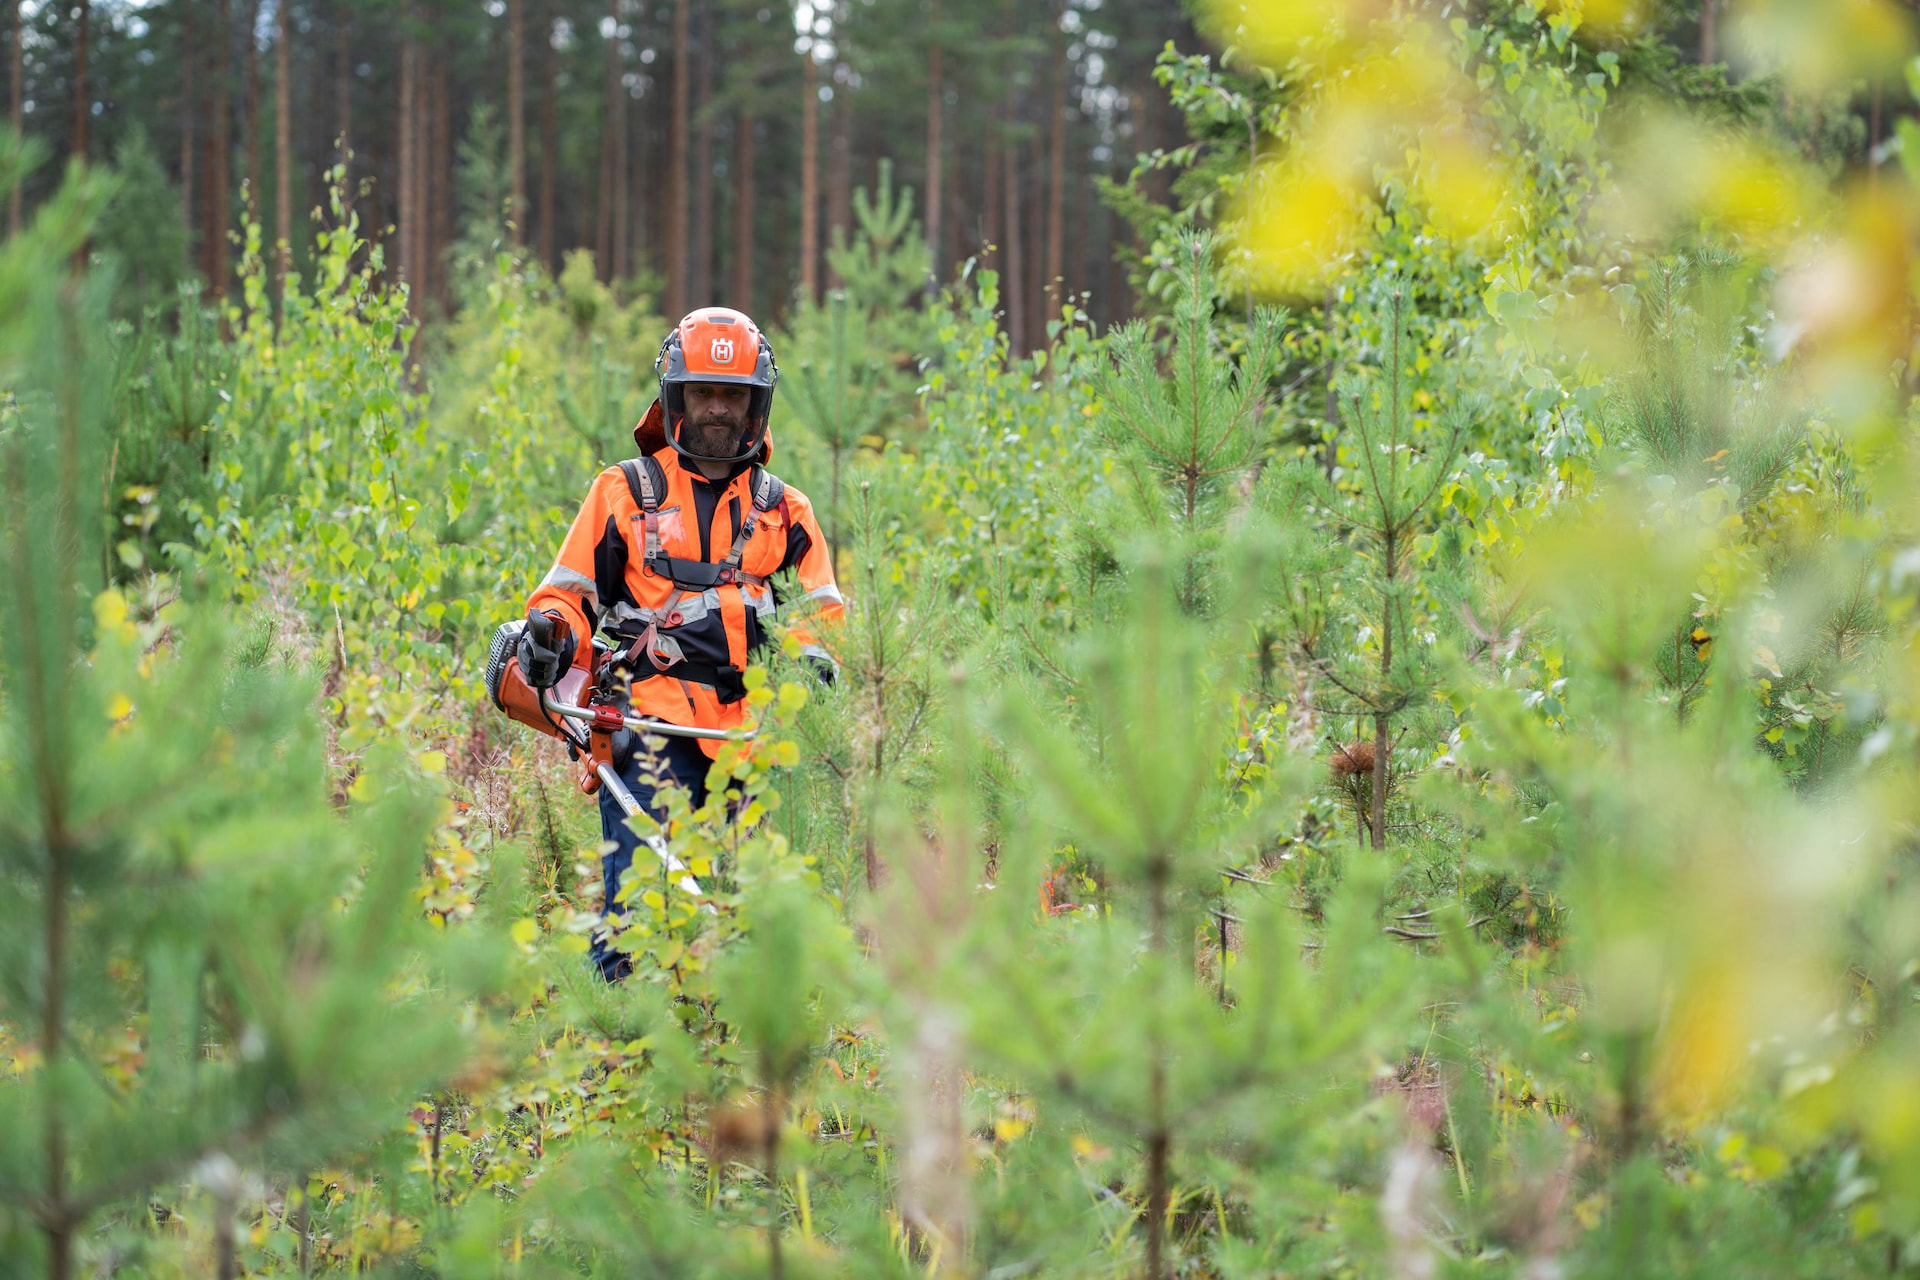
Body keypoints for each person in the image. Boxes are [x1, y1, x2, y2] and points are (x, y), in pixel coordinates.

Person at [515, 307, 843, 981]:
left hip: (756, 740)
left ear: (756, 404)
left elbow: (822, 613)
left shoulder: (788, 511)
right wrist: (550, 632)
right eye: (704, 393)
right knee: (640, 914)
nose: (718, 409)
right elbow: (568, 595)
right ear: (676, 399)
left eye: (733, 395)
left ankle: (741, 1064)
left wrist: (813, 658)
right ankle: (617, 1048)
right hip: (645, 727)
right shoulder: (623, 493)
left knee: (754, 922)